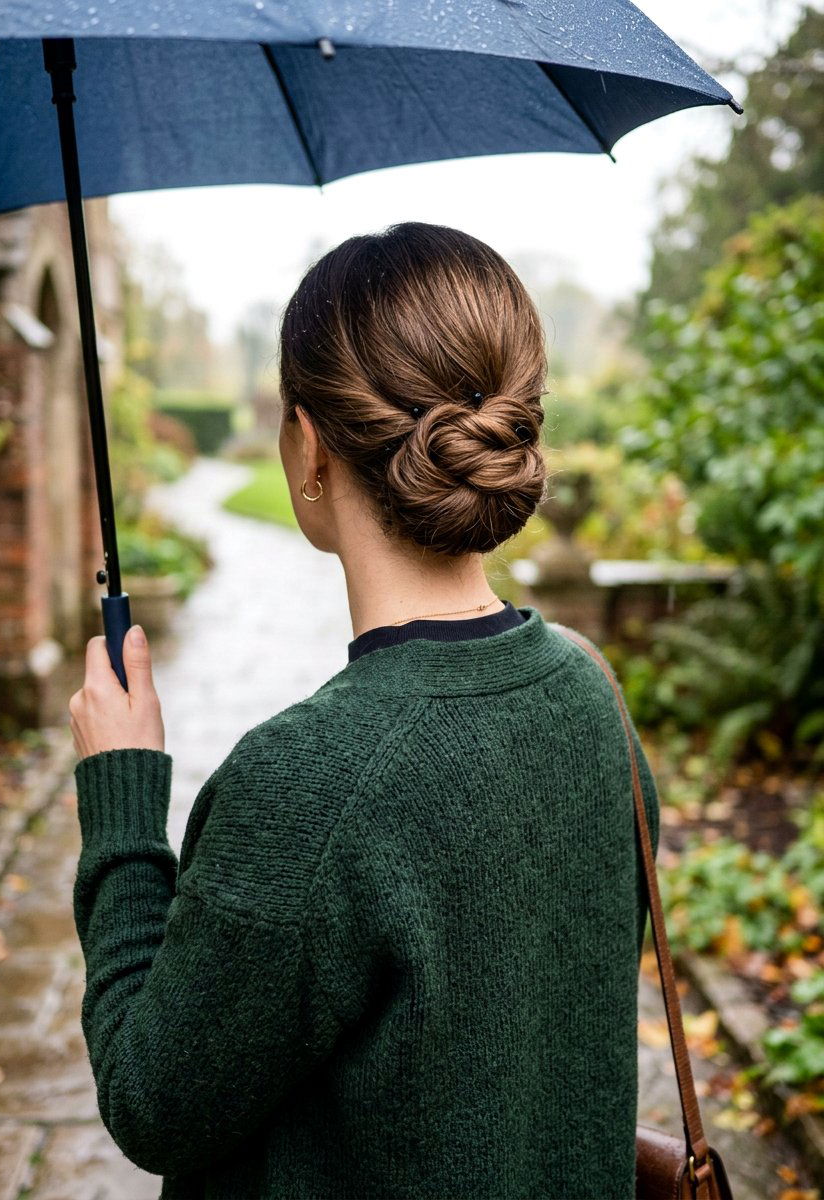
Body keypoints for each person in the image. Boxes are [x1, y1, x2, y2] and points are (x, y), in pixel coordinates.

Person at [68, 221, 660, 1200]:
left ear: (306, 444)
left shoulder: (307, 785)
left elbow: (153, 1100)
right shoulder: (590, 698)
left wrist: (122, 808)